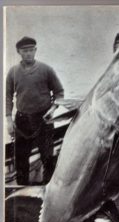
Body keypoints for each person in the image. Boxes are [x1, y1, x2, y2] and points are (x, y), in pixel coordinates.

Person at [6, 36, 64, 185]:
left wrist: (53, 108)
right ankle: (21, 189)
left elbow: (59, 93)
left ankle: (47, 190)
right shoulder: (13, 72)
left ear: (35, 50)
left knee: (48, 158)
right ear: (19, 52)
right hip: (22, 120)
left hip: (43, 119)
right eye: (25, 51)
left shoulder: (46, 70)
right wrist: (9, 120)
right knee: (21, 159)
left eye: (31, 50)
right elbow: (7, 96)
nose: (29, 54)